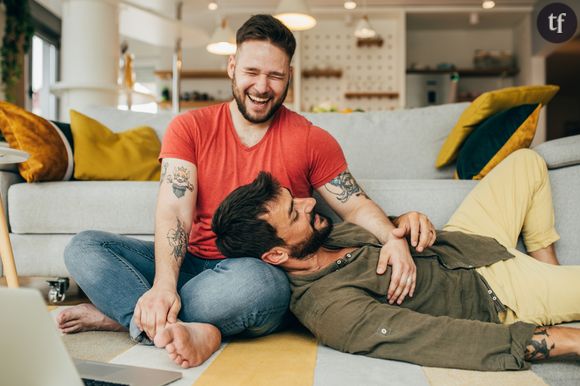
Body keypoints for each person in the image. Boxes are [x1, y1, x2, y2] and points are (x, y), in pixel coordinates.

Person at [57, 14, 435, 368]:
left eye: (274, 75)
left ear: (289, 76)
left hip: (250, 272)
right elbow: (175, 212)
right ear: (232, 68)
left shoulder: (311, 139)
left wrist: (393, 237)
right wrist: (163, 286)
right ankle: (158, 317)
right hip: (186, 264)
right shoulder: (189, 128)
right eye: (251, 71)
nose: (261, 86)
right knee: (85, 248)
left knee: (261, 287)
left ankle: (127, 315)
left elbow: (354, 206)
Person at [211, 149, 580, 371]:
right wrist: (567, 341)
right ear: (276, 254)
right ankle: (550, 291)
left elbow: (390, 227)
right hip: (498, 292)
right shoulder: (331, 310)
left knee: (527, 162)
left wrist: (406, 222)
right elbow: (439, 340)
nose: (310, 203)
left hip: (462, 241)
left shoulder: (323, 235)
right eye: (294, 213)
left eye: (296, 198)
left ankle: (548, 272)